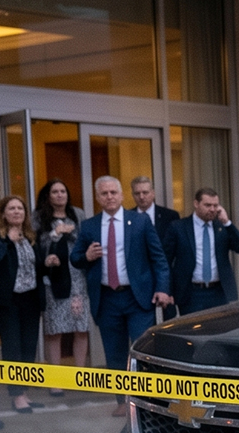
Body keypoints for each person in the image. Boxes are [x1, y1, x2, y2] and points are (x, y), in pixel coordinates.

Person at [72, 176, 171, 416]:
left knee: (141, 349)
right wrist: (87, 256)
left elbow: (159, 259)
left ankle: (146, 402)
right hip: (107, 299)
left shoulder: (140, 221)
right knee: (114, 352)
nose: (109, 197)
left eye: (113, 192)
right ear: (97, 198)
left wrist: (163, 288)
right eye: (104, 193)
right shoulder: (89, 226)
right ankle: (122, 401)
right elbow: (75, 259)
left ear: (122, 195)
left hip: (138, 298)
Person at [0, 195, 44, 422]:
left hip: (30, 299)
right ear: (3, 214)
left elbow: (36, 266)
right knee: (12, 347)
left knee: (28, 346)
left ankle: (25, 392)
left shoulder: (31, 237)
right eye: (11, 209)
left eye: (20, 208)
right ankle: (16, 395)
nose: (16, 212)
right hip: (7, 301)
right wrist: (7, 242)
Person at [35, 180, 86, 391]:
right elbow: (36, 244)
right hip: (53, 279)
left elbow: (85, 240)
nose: (59, 195)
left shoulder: (78, 214)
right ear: (48, 196)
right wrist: (56, 233)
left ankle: (80, 378)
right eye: (54, 192)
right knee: (54, 330)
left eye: (63, 191)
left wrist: (70, 232)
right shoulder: (39, 217)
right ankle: (56, 380)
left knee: (80, 328)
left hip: (78, 279)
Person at [168, 188, 239, 315]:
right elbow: (166, 259)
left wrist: (227, 223)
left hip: (218, 292)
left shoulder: (221, 227)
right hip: (191, 293)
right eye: (207, 205)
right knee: (194, 331)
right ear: (196, 204)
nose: (212, 209)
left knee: (218, 331)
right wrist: (168, 291)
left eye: (215, 205)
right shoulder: (179, 227)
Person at [129, 176, 180, 240]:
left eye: (145, 193)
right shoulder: (128, 217)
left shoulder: (170, 216)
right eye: (137, 193)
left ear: (153, 193)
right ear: (133, 195)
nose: (141, 197)